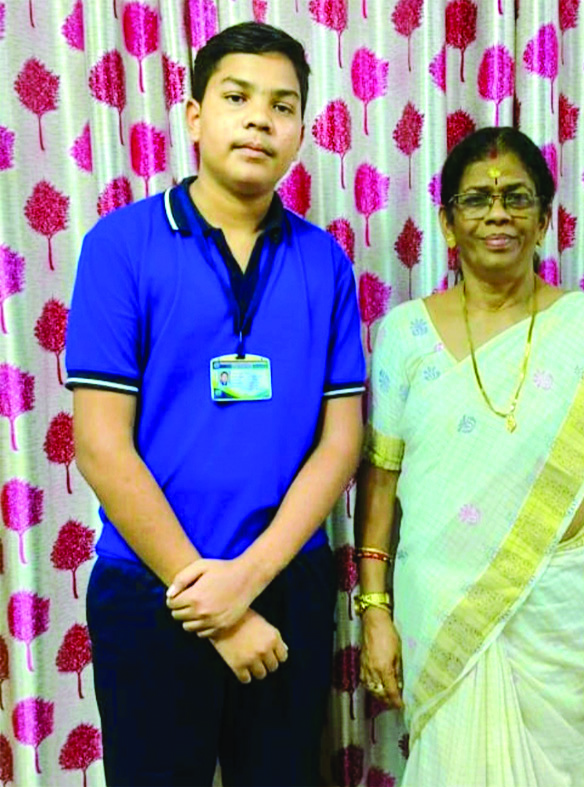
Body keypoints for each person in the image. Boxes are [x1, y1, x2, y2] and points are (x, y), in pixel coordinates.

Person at [65, 22, 365, 787]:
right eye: (237, 97)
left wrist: (248, 581)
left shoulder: (324, 261)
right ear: (195, 116)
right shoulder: (121, 245)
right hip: (150, 585)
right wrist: (216, 603)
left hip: (286, 582)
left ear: (301, 129)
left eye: (282, 105)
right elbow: (100, 446)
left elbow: (340, 443)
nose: (260, 118)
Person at [354, 127, 584, 786]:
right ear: (447, 223)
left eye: (516, 197)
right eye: (477, 200)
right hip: (444, 611)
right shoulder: (403, 335)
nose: (498, 214)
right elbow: (380, 488)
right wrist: (374, 613)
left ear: (545, 220)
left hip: (567, 621)